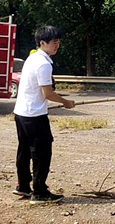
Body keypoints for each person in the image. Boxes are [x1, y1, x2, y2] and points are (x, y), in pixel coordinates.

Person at [13, 26, 74, 204]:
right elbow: (48, 93)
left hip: (21, 113)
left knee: (24, 150)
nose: (57, 45)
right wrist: (66, 102)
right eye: (54, 42)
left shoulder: (32, 58)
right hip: (34, 116)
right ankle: (39, 192)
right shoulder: (43, 64)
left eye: (58, 41)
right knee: (41, 152)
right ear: (42, 43)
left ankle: (23, 186)